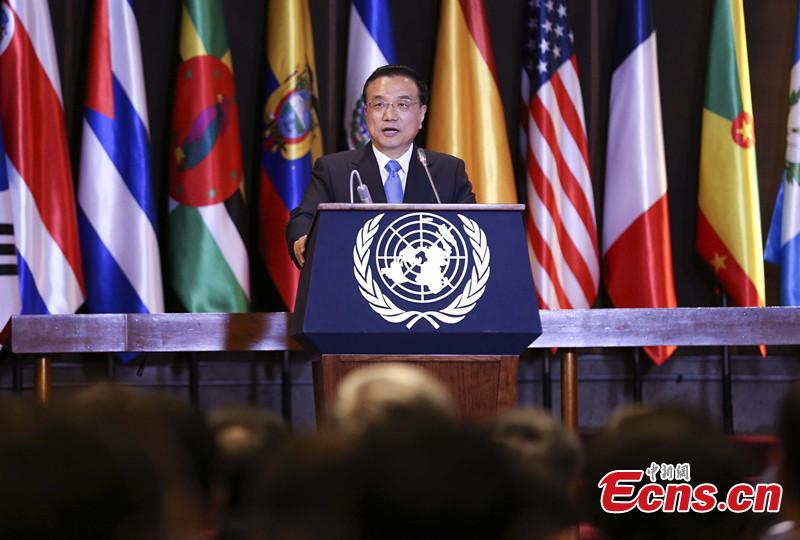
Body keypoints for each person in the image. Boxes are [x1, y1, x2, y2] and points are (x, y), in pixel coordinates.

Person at [286, 64, 476, 267]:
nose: (389, 115)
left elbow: (474, 229)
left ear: (421, 114)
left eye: (402, 105)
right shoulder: (334, 169)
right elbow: (303, 217)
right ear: (366, 113)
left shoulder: (449, 171)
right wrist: (302, 237)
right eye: (379, 105)